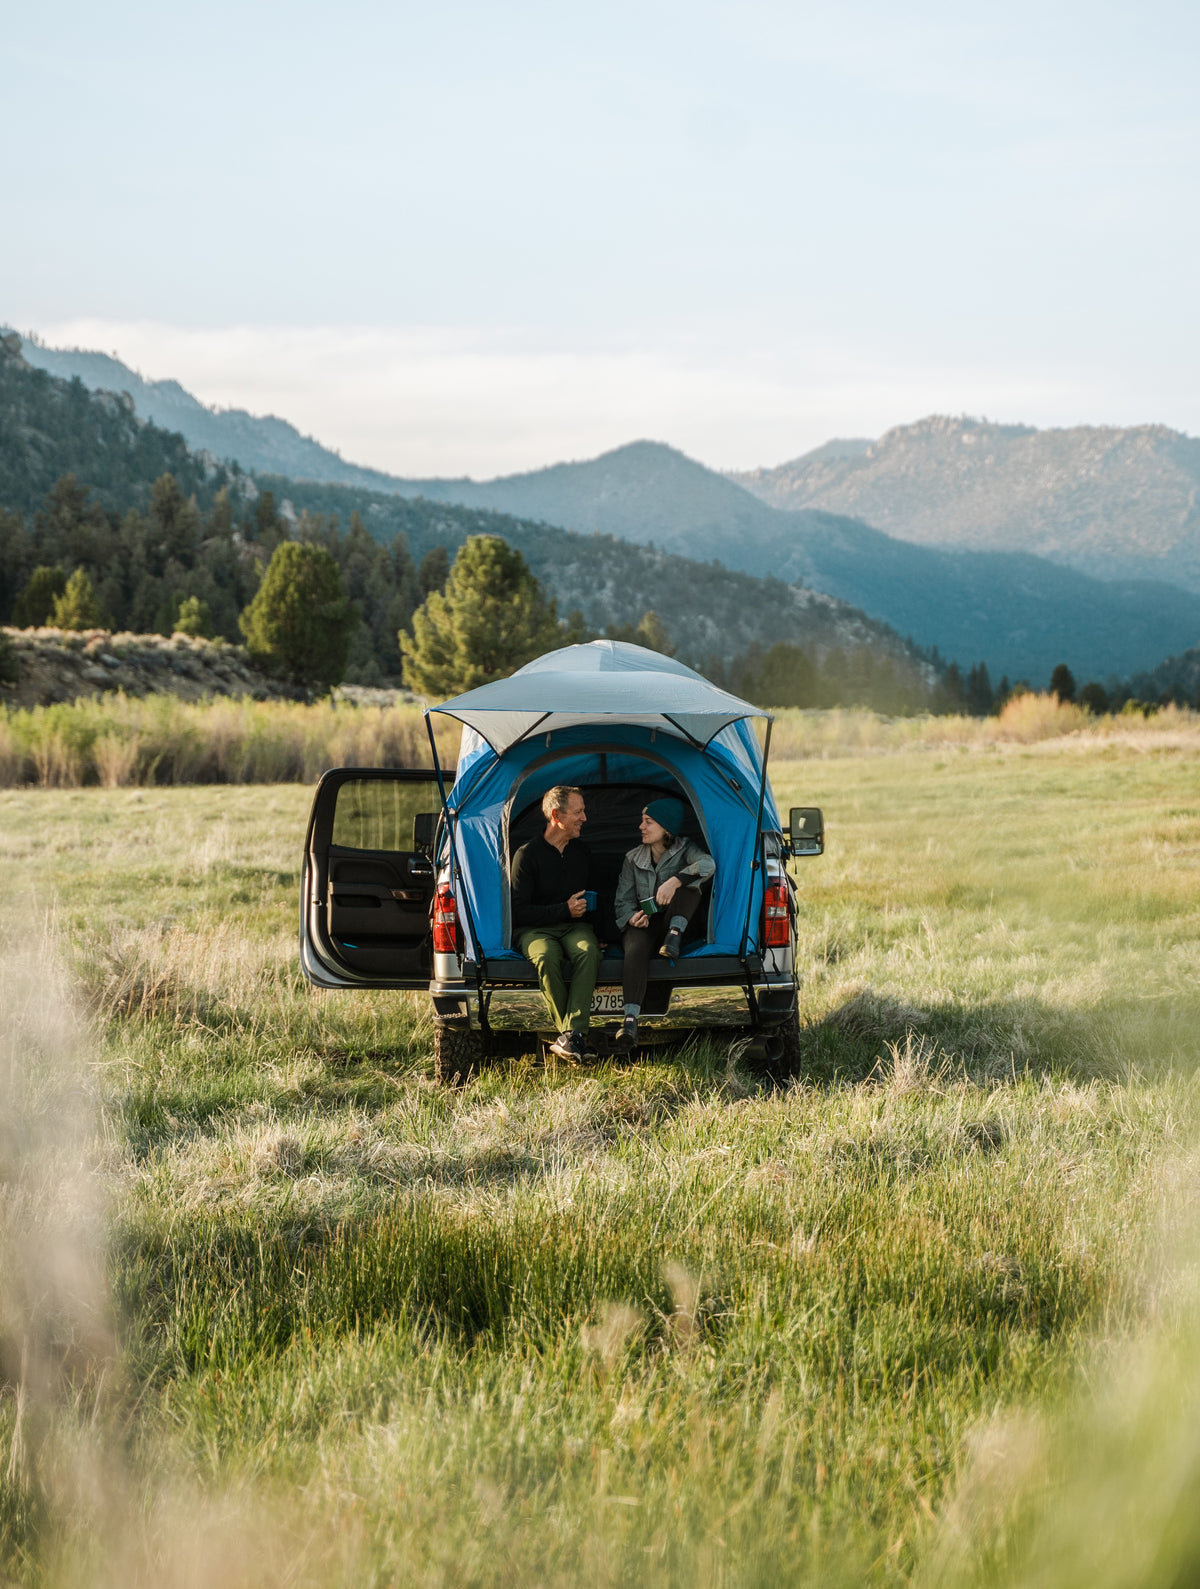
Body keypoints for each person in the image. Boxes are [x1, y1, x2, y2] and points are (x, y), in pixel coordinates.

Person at [611, 796, 715, 1053]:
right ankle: (630, 1020)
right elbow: (621, 902)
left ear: (666, 829)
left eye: (648, 822)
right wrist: (632, 917)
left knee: (691, 887)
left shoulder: (686, 848)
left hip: (677, 920)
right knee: (635, 948)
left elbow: (708, 865)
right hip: (646, 922)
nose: (641, 827)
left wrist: (676, 880)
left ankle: (674, 937)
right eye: (642, 821)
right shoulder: (633, 858)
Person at [510, 784, 602, 1060]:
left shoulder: (581, 852)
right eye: (578, 812)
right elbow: (519, 911)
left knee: (588, 951)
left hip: (575, 927)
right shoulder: (526, 855)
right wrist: (563, 909)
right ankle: (572, 1035)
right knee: (546, 955)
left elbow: (597, 895)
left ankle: (569, 1037)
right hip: (535, 929)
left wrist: (604, 931)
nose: (584, 818)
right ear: (556, 816)